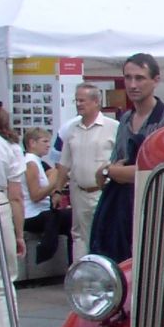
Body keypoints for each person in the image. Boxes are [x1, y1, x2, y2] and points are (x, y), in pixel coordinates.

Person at [89, 54, 164, 262]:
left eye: (140, 78)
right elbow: (117, 162)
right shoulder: (125, 119)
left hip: (157, 212)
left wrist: (110, 171)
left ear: (156, 80)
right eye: (128, 78)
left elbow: (157, 171)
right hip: (124, 211)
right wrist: (112, 171)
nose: (133, 85)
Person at [50, 84, 119, 263]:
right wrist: (57, 190)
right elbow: (64, 164)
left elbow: (121, 159)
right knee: (79, 236)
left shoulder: (114, 127)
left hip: (103, 192)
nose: (78, 104)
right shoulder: (71, 130)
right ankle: (81, 278)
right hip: (79, 191)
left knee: (103, 233)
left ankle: (103, 276)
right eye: (77, 100)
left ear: (96, 102)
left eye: (82, 100)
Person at [0, 109, 27, 327]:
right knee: (3, 281)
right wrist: (19, 234)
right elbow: (16, 195)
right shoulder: (7, 147)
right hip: (0, 204)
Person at [20, 128, 70, 265]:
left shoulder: (38, 162)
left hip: (41, 211)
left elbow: (53, 172)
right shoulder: (30, 163)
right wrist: (54, 184)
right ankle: (45, 250)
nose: (49, 145)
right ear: (32, 143)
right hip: (31, 215)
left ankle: (71, 262)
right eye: (45, 141)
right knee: (57, 216)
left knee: (70, 219)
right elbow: (35, 195)